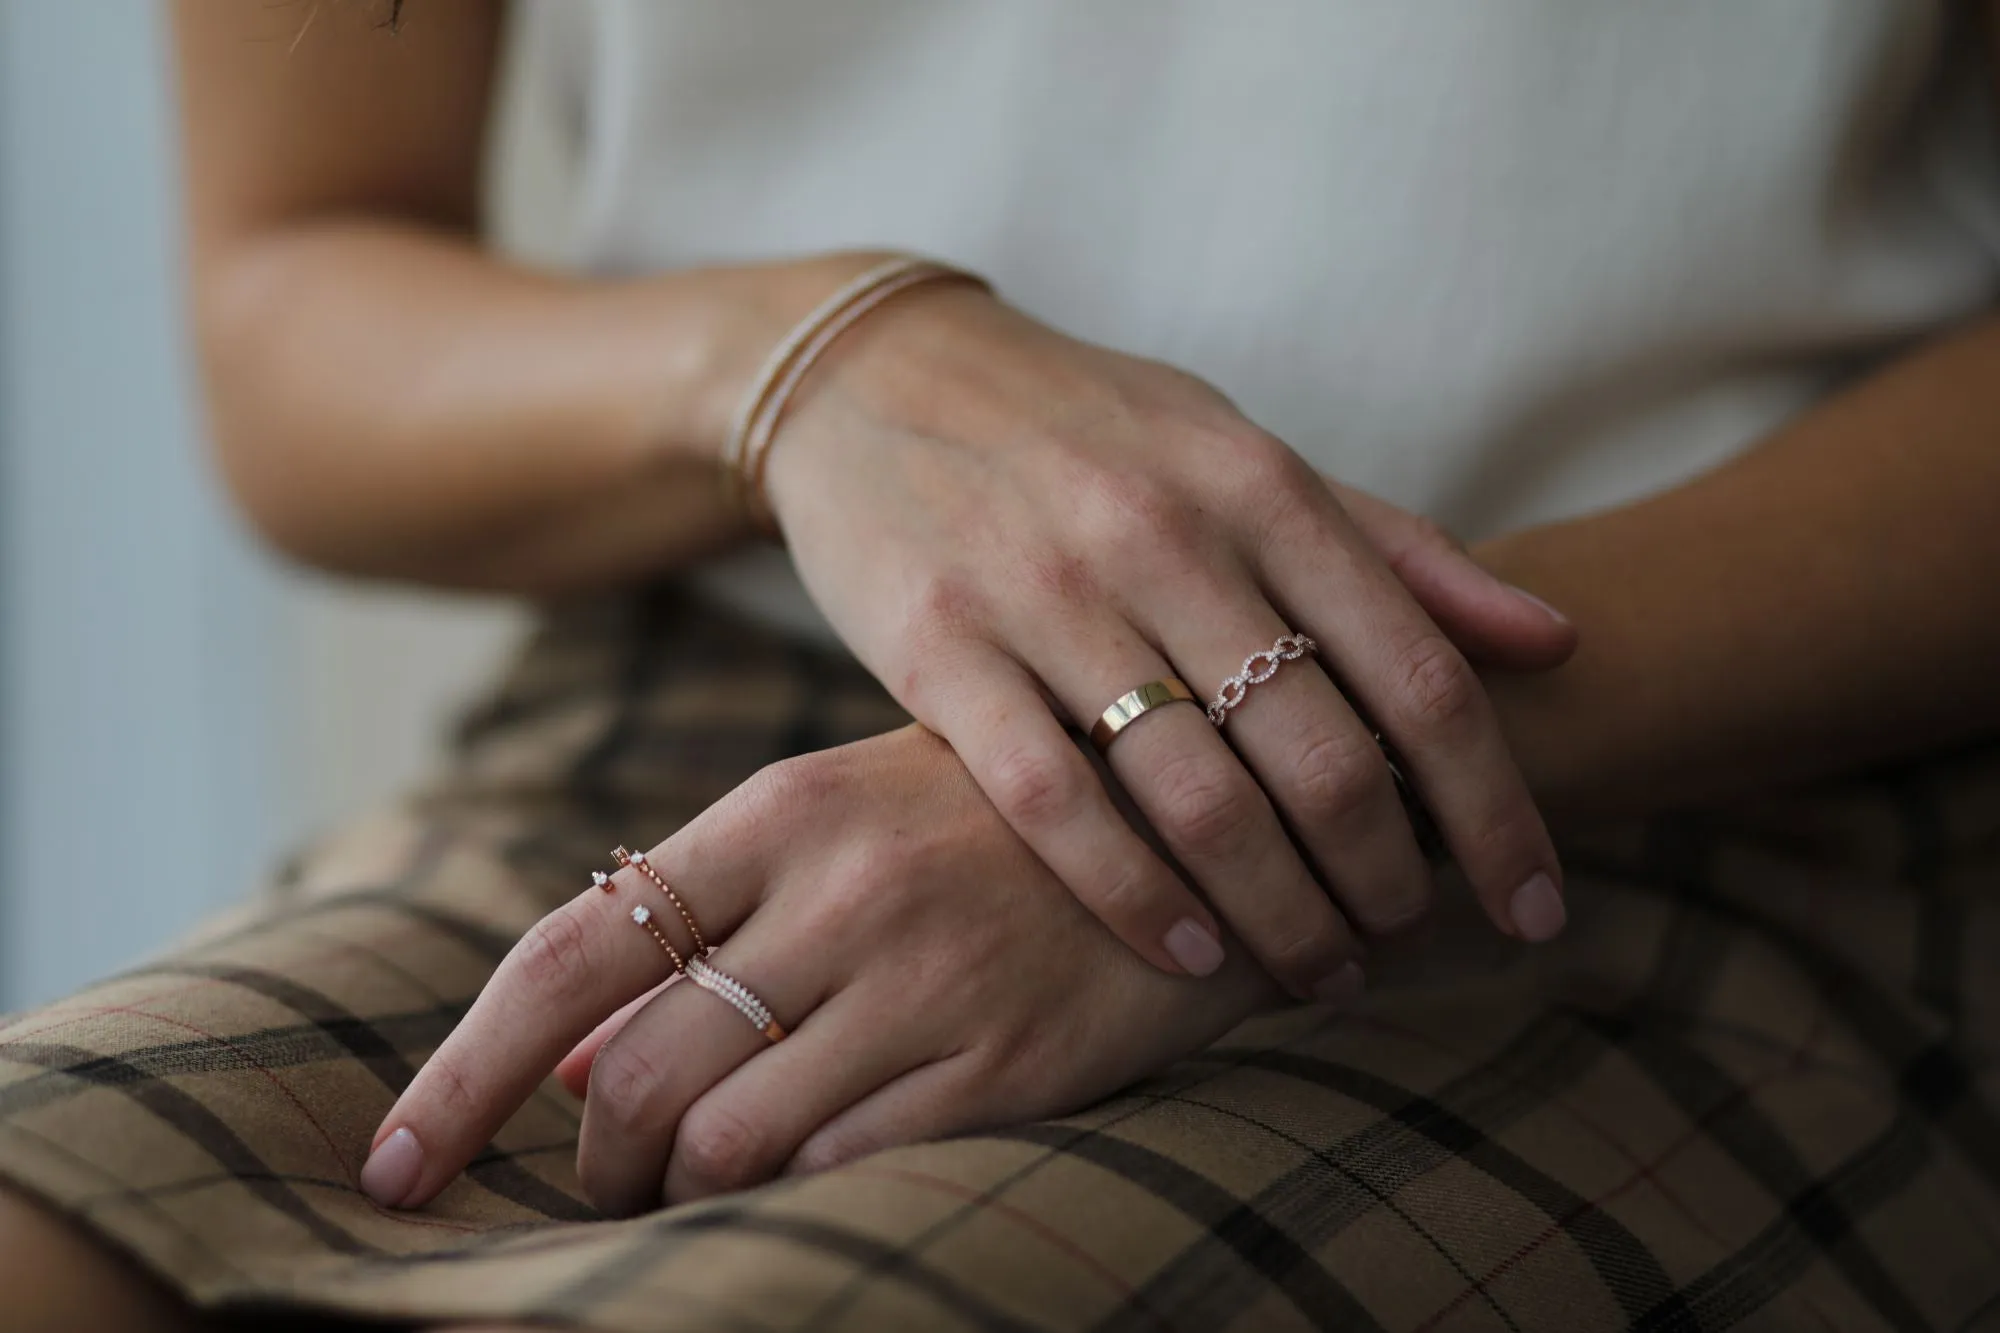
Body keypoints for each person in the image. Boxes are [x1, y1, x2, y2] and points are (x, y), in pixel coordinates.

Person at [4, 2, 1999, 1329]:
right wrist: (812, 360)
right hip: (701, 737)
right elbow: (294, 289)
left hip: (1661, 772)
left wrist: (1232, 758)